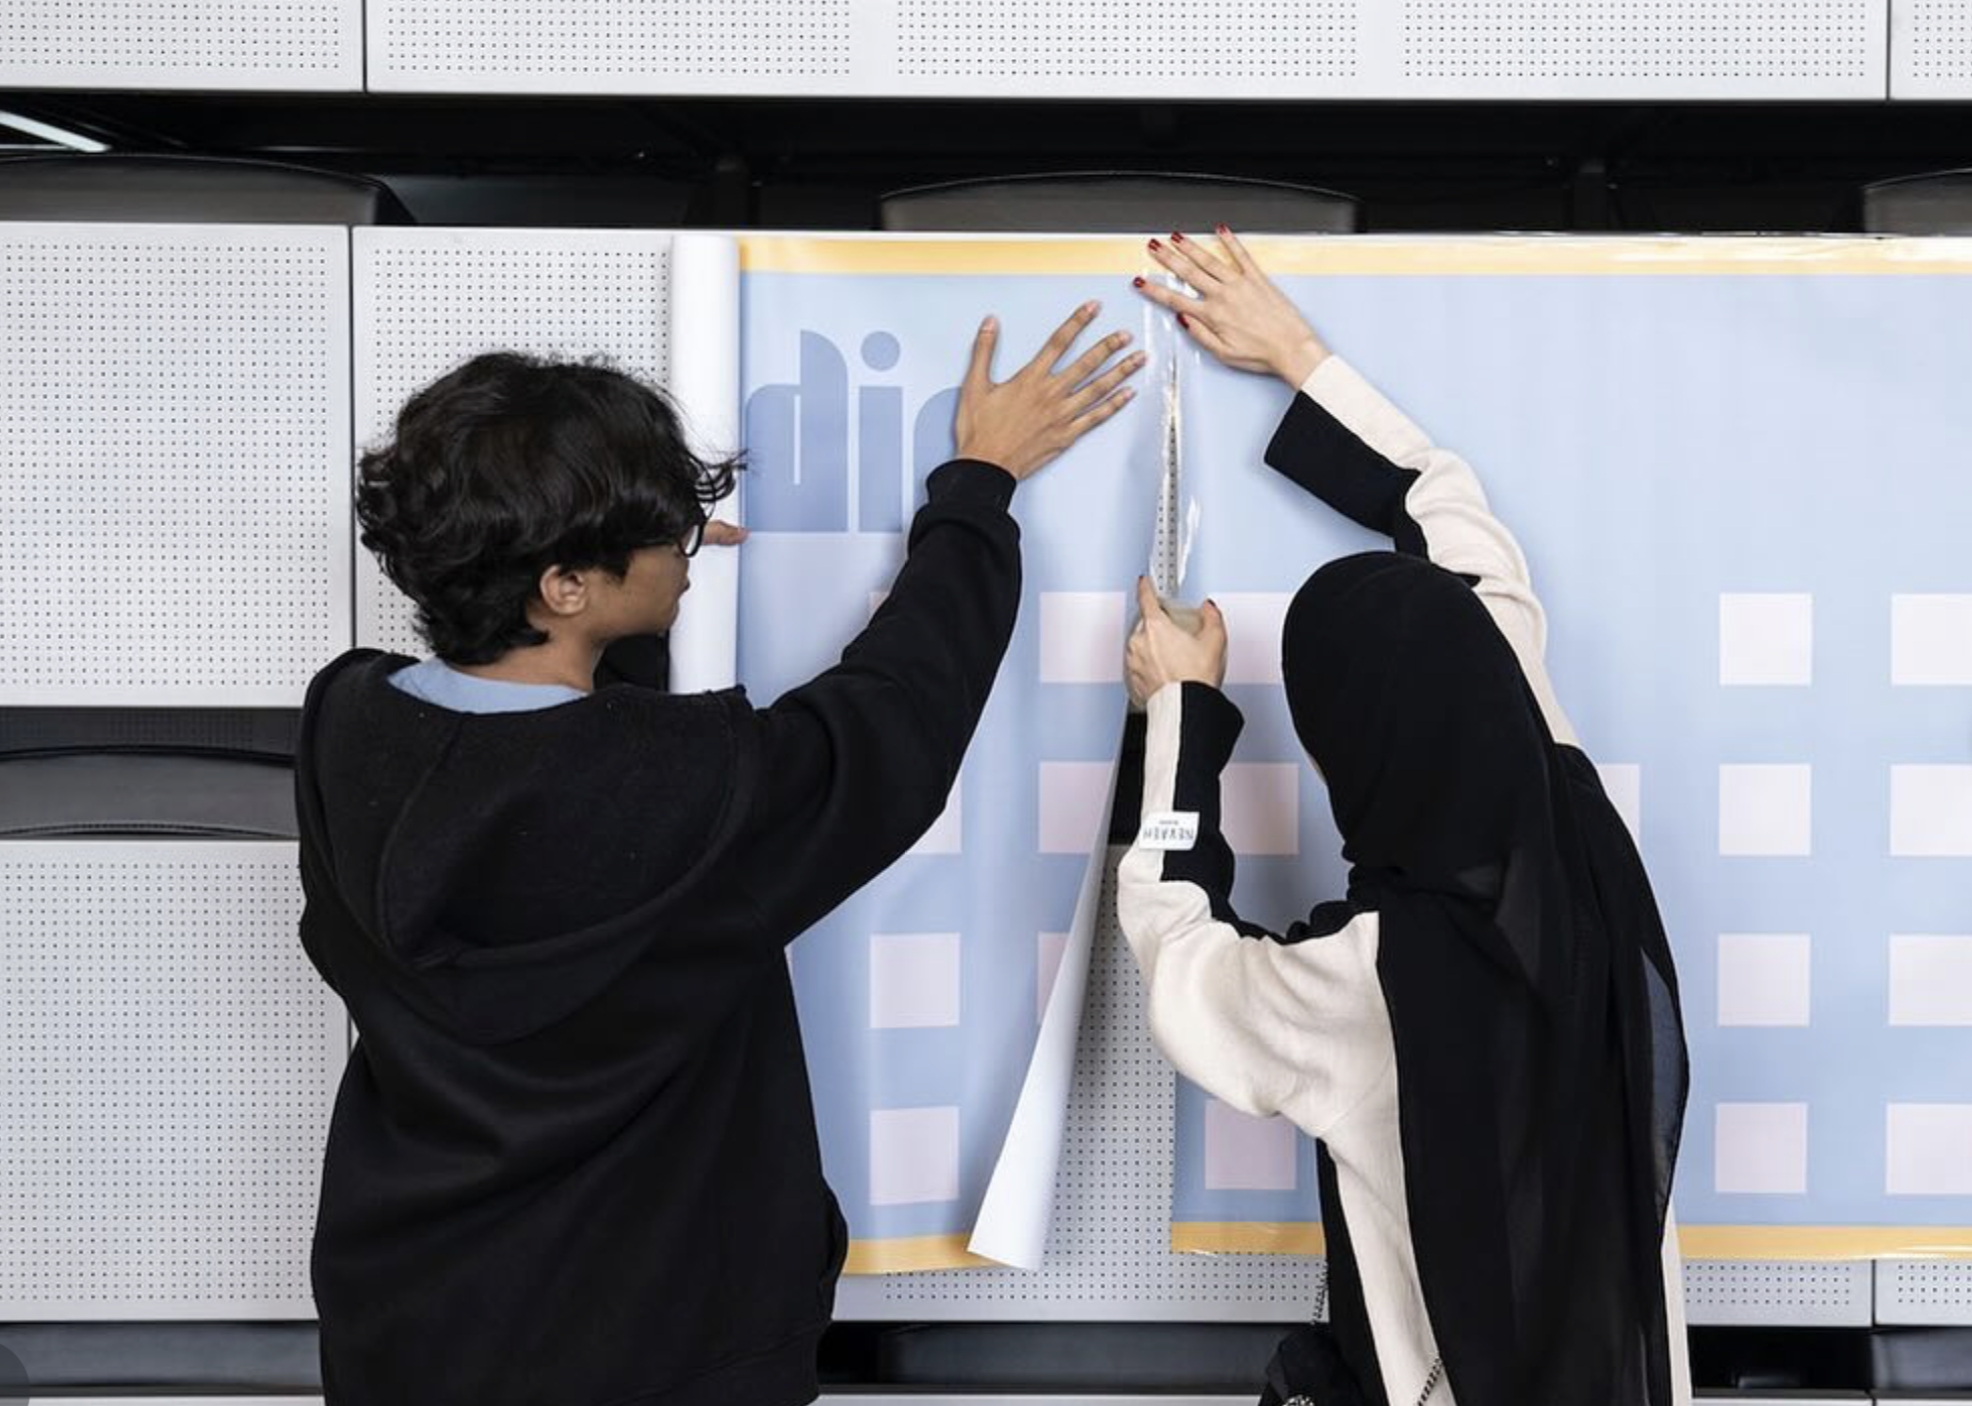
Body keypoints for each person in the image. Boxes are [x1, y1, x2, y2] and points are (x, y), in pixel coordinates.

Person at [292, 304, 1144, 1406]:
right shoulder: (697, 789)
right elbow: (895, 717)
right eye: (666, 533)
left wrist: (626, 607)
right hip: (657, 1343)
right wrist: (978, 485)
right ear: (562, 584)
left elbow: (544, 773)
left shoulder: (346, 722)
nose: (687, 543)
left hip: (409, 1321)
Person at [1117, 226, 1691, 1406]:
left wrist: (1179, 707)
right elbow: (1466, 543)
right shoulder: (1572, 819)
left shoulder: (1379, 976)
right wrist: (1299, 356)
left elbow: (1179, 953)